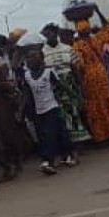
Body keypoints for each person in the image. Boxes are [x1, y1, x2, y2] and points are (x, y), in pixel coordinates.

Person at [20, 46, 75, 175]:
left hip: (52, 107)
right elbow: (27, 94)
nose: (30, 59)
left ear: (42, 58)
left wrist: (75, 96)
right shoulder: (27, 75)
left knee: (51, 134)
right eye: (28, 57)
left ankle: (48, 161)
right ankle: (68, 154)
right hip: (39, 110)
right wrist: (21, 110)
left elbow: (62, 86)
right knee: (49, 135)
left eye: (34, 56)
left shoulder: (49, 72)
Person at [73, 17, 109, 143]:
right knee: (108, 102)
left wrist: (80, 83)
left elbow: (79, 65)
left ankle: (102, 136)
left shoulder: (77, 45)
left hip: (89, 77)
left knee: (96, 106)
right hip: (102, 74)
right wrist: (97, 12)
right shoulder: (96, 40)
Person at [0, 50, 29, 184]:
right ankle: (9, 165)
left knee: (9, 137)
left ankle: (15, 163)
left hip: (3, 107)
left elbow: (9, 85)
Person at [39, 24, 89, 144]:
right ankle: (66, 143)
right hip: (54, 87)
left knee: (73, 112)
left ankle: (78, 142)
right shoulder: (43, 52)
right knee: (60, 115)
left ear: (56, 34)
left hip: (69, 83)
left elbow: (75, 69)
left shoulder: (67, 48)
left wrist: (81, 87)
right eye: (46, 35)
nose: (49, 37)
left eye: (51, 34)